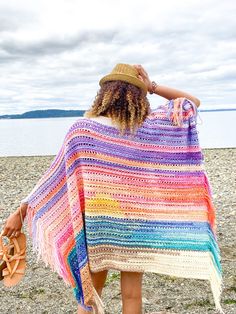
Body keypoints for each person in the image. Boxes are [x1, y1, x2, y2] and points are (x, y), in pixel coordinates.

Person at [1, 64, 224, 314]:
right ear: (137, 96)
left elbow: (53, 179)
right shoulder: (151, 127)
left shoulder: (83, 130)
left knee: (90, 296)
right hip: (137, 224)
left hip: (100, 223)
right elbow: (192, 102)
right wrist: (152, 86)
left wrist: (19, 213)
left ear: (105, 94)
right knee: (131, 296)